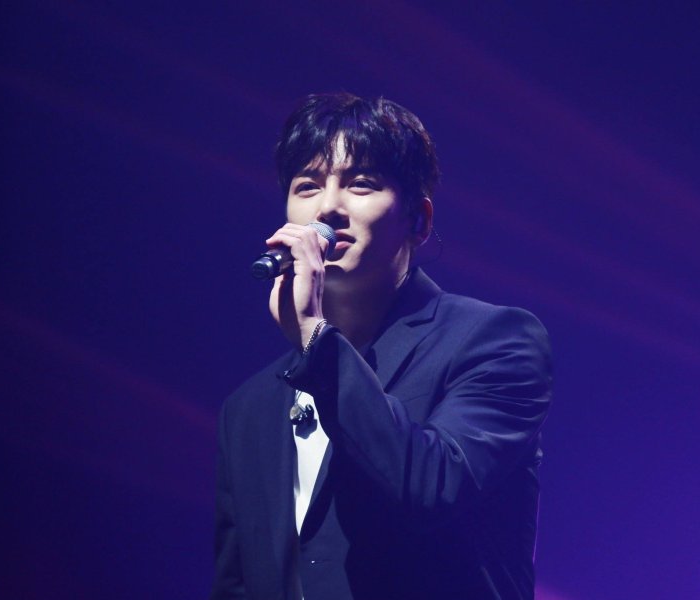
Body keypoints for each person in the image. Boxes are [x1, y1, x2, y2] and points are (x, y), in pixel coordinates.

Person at [211, 92, 552, 600]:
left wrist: (316, 339)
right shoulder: (249, 408)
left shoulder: (496, 342)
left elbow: (432, 487)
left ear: (420, 219)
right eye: (307, 186)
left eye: (361, 184)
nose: (328, 207)